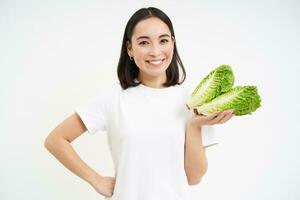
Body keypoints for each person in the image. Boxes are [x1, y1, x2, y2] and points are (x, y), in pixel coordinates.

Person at [44, 7, 234, 200]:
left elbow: (193, 178)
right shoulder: (114, 98)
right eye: (144, 42)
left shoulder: (194, 100)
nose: (155, 51)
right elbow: (55, 140)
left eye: (163, 40)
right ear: (130, 48)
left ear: (173, 43)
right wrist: (95, 179)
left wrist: (194, 125)